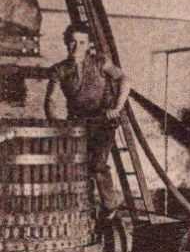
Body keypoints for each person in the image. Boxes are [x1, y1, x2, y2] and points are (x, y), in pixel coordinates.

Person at [44, 23, 129, 219]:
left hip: (102, 122)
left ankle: (110, 202)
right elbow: (50, 100)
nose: (76, 46)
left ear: (88, 44)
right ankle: (89, 211)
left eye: (82, 42)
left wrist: (116, 107)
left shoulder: (100, 62)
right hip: (77, 124)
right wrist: (53, 119)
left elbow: (124, 81)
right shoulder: (59, 70)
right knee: (80, 167)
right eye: (72, 41)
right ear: (67, 43)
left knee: (98, 165)